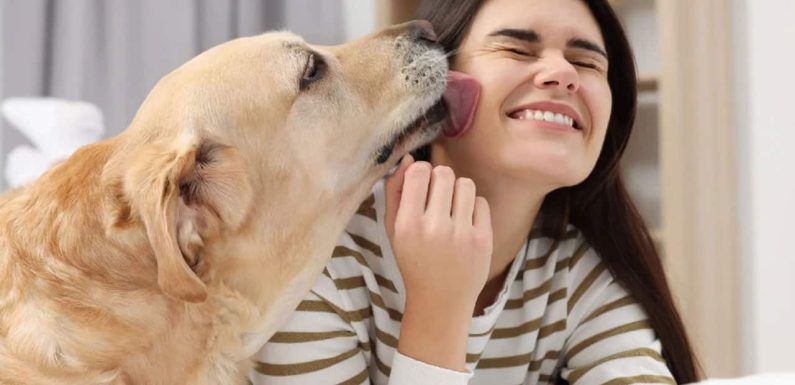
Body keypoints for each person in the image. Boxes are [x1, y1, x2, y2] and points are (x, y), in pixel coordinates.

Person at [251, 0, 700, 383]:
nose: (564, 74)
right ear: (435, 86)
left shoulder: (575, 275)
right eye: (517, 48)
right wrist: (439, 305)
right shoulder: (319, 267)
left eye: (586, 62)